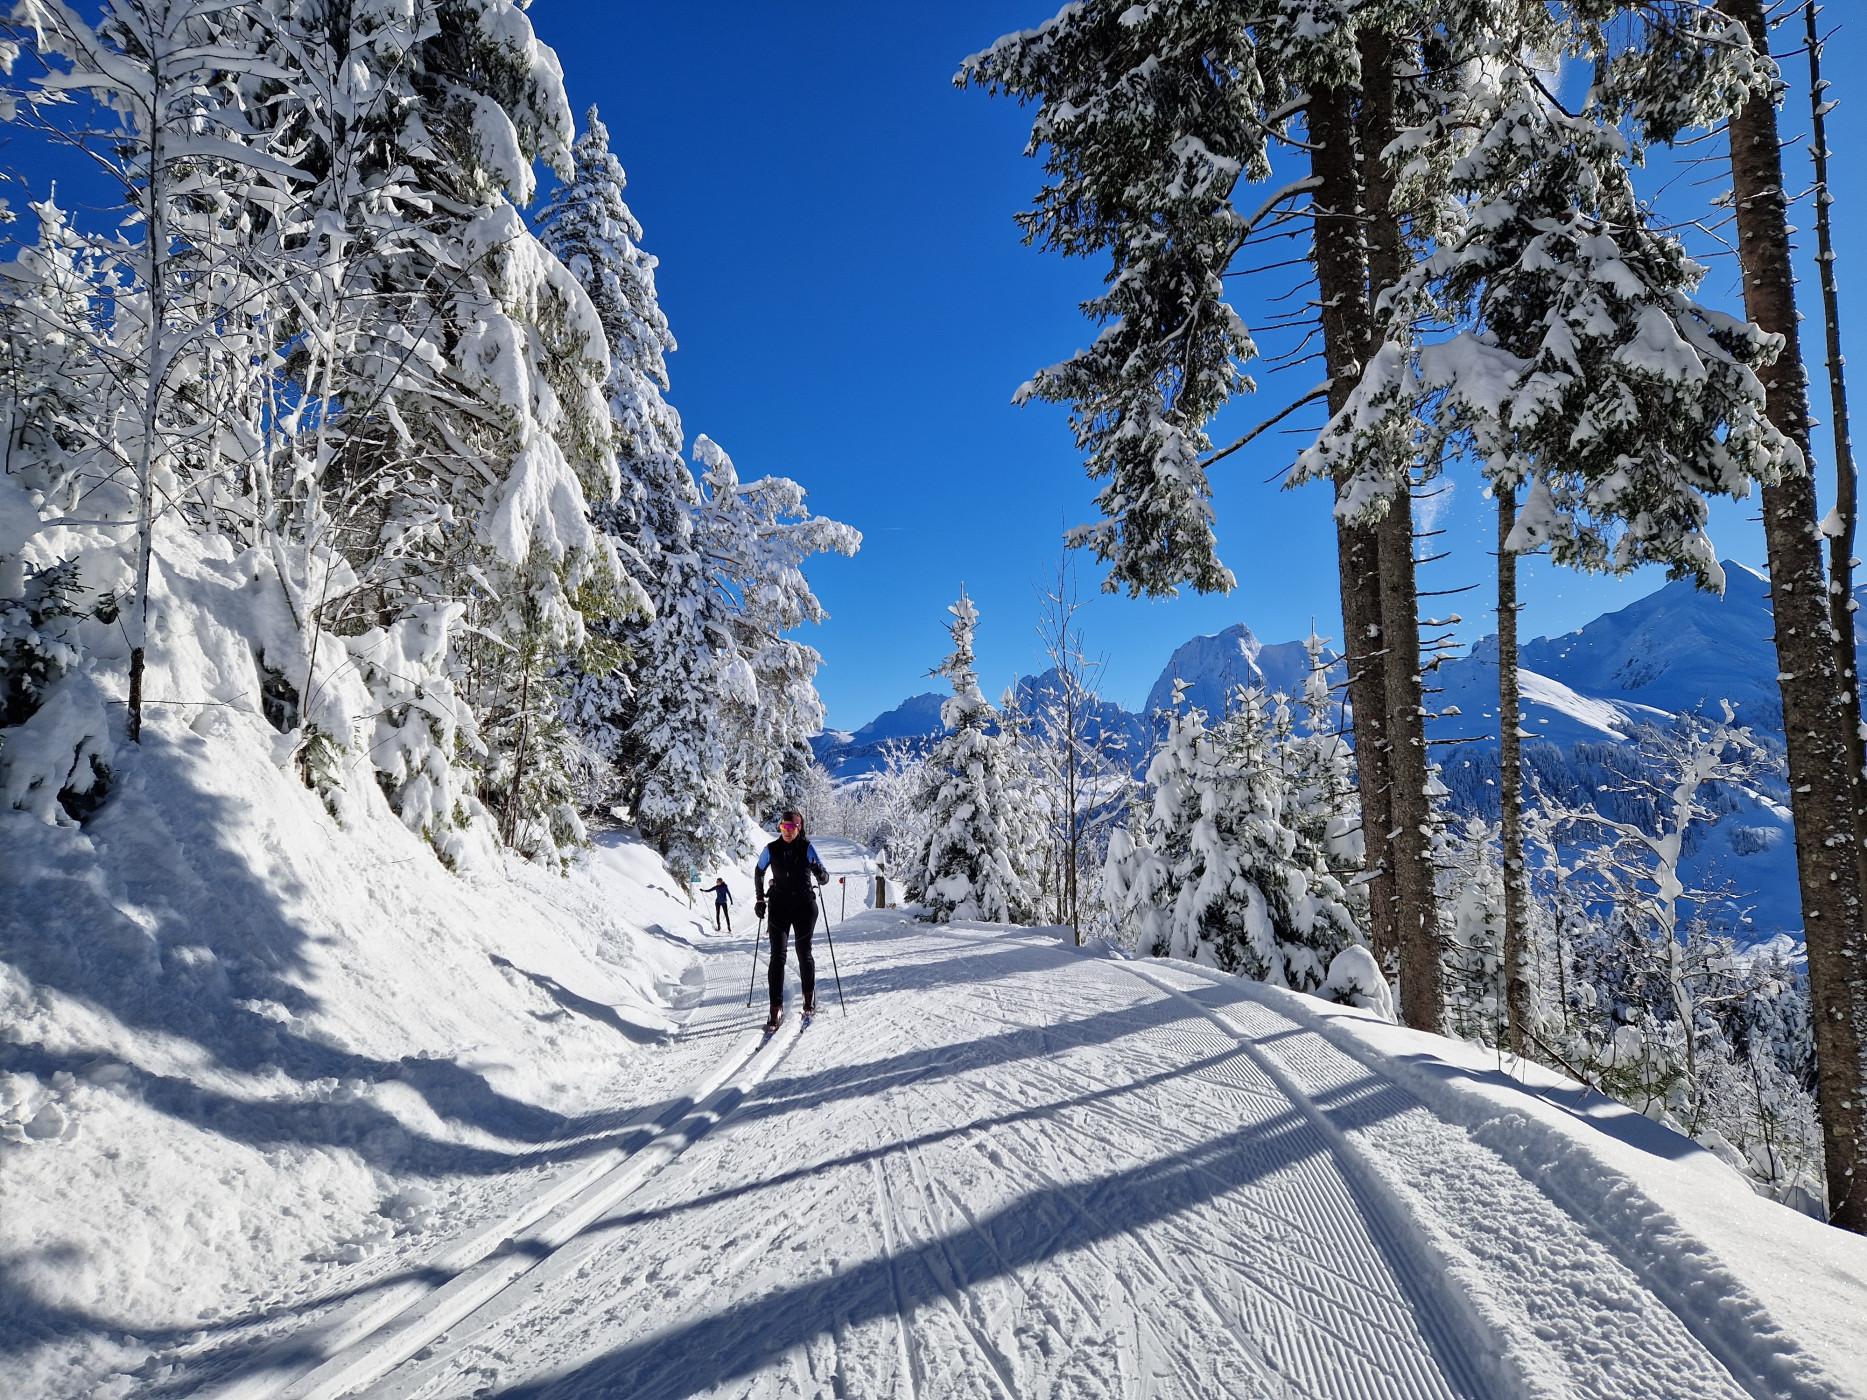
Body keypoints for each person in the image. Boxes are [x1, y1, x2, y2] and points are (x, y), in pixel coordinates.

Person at [754, 810, 829, 1032]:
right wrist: (760, 898)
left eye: (791, 827)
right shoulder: (771, 849)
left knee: (803, 952)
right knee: (777, 956)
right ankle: (775, 1008)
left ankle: (808, 998)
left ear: (799, 828)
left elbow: (824, 879)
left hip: (804, 905)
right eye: (783, 827)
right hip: (778, 905)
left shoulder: (807, 848)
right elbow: (758, 872)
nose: (786, 832)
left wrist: (817, 869)